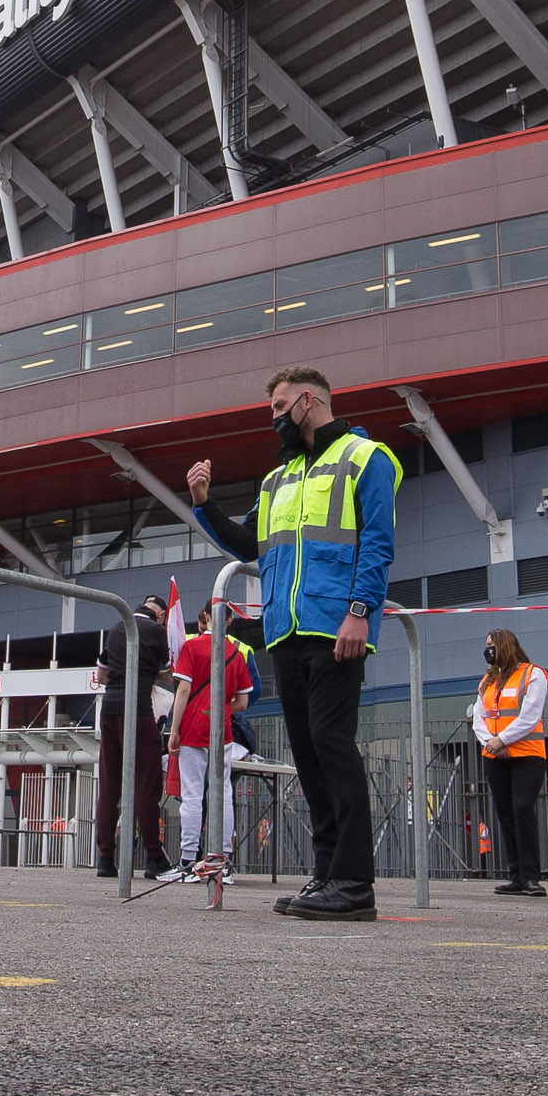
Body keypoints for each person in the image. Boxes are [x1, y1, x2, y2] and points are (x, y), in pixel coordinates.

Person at [185, 365, 397, 923]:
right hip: (286, 630)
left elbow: (377, 544)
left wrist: (360, 613)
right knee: (306, 752)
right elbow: (247, 543)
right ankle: (328, 875)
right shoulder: (278, 478)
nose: (274, 418)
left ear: (308, 400)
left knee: (332, 743)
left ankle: (354, 883)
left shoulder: (365, 457)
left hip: (337, 627)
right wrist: (205, 504)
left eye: (279, 407)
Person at [164, 602, 255, 882]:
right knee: (222, 793)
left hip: (193, 725)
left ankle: (188, 861)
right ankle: (222, 862)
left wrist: (174, 729)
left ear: (205, 617)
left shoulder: (191, 648)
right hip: (222, 728)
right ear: (229, 621)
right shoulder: (236, 654)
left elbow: (183, 690)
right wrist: (222, 705)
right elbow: (242, 702)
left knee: (192, 794)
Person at [90, 597, 171, 881]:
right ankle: (153, 857)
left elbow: (101, 675)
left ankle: (105, 858)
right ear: (160, 615)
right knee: (146, 783)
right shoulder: (158, 632)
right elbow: (169, 671)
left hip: (109, 710)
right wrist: (152, 676)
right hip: (137, 710)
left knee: (110, 785)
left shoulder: (115, 628)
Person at [470, 628, 548, 898]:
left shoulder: (533, 674)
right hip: (495, 755)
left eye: (491, 644)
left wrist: (501, 740)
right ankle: (515, 875)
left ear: (504, 645)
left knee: (522, 809)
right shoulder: (487, 680)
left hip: (526, 754)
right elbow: (478, 718)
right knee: (505, 814)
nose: (488, 649)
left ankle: (531, 877)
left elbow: (530, 716)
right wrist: (491, 742)